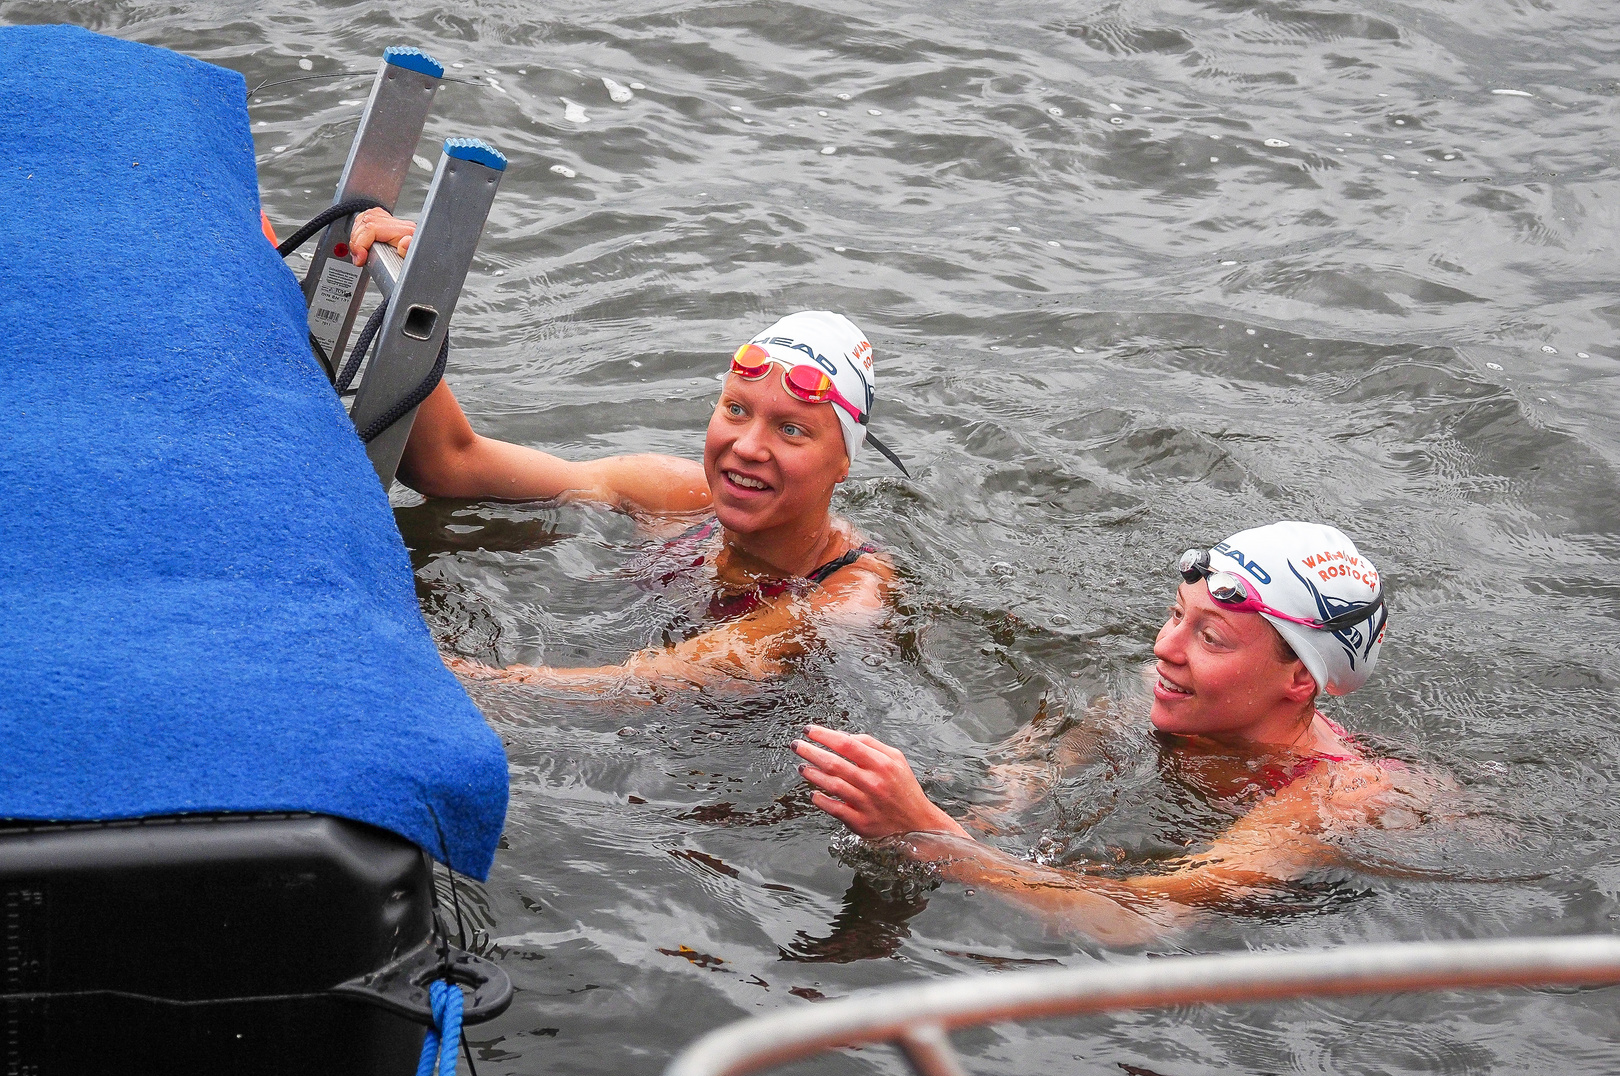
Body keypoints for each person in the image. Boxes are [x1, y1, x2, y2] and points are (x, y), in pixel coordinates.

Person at [323, 211, 905, 693]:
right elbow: (451, 464)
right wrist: (416, 296)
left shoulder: (850, 595)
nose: (748, 447)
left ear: (845, 462)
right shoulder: (675, 496)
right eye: (736, 410)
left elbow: (658, 683)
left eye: (793, 431)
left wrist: (467, 680)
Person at [793, 521, 1409, 944]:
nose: (1164, 648)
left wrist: (931, 837)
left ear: (1300, 679)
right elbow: (1015, 785)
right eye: (1175, 615)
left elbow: (1139, 918)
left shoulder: (1342, 795)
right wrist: (908, 817)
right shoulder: (1149, 696)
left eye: (1210, 637)